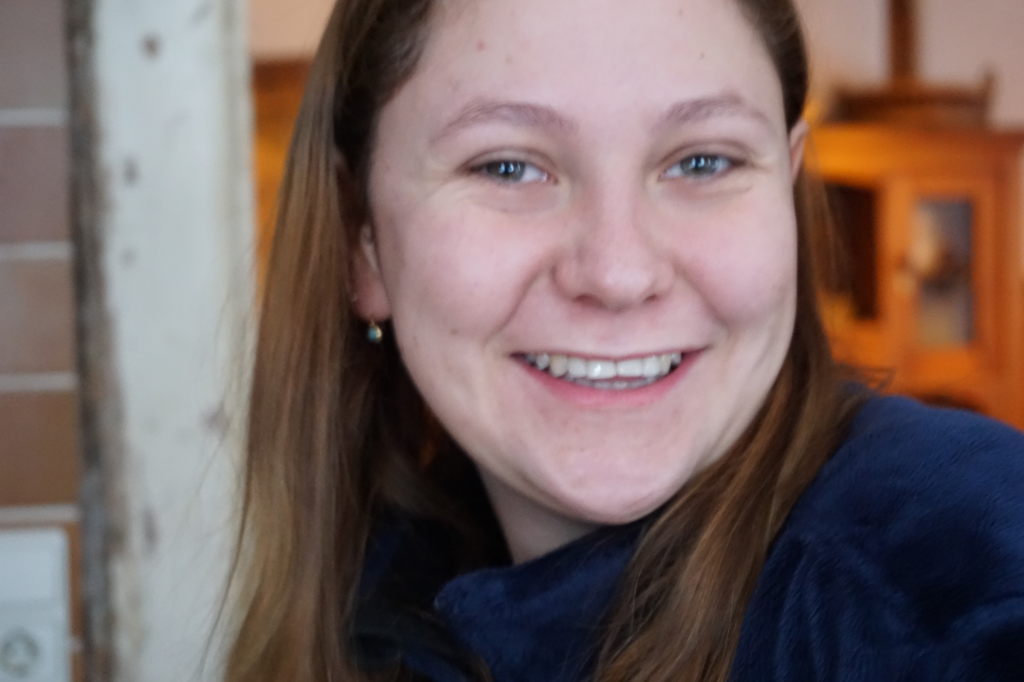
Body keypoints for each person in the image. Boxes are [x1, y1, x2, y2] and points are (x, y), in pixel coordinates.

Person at [225, 0, 1024, 680]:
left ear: (786, 189)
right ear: (360, 238)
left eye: (702, 161)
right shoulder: (376, 605)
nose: (618, 273)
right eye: (507, 168)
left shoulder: (961, 571)